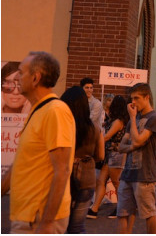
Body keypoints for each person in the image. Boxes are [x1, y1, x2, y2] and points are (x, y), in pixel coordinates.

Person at [1, 51, 75, 233]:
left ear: (35, 78)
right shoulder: (37, 110)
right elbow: (21, 163)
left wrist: (47, 224)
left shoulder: (55, 111)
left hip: (38, 219)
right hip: (27, 216)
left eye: (21, 72)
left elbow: (62, 170)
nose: (17, 77)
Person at [116, 83, 156, 234]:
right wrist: (133, 147)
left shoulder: (154, 118)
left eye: (137, 98)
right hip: (128, 173)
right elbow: (121, 146)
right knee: (122, 213)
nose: (133, 102)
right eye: (132, 98)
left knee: (149, 213)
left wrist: (134, 143)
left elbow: (136, 140)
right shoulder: (133, 120)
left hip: (145, 175)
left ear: (147, 97)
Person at [61, 86, 105, 233]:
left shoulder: (64, 125)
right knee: (78, 226)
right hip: (86, 176)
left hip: (64, 176)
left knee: (60, 223)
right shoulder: (94, 128)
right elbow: (101, 156)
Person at [89, 94, 129, 219]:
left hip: (116, 155)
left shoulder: (118, 121)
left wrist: (96, 142)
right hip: (110, 155)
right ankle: (94, 208)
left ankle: (121, 208)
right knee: (101, 181)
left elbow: (107, 137)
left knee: (117, 183)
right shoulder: (114, 120)